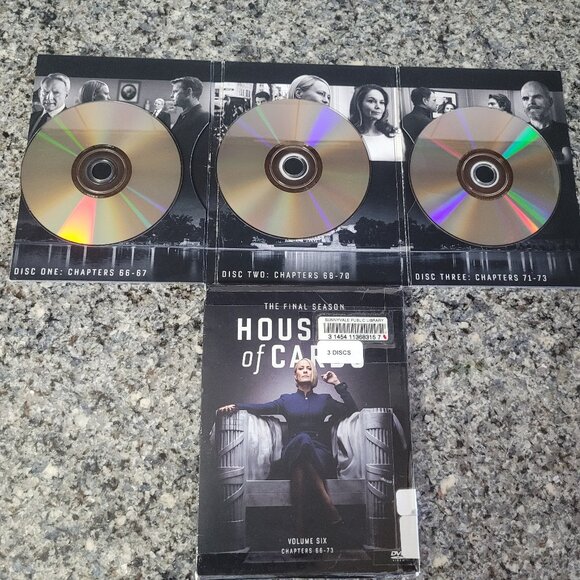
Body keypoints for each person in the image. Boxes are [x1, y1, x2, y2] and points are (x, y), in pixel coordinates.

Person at [218, 358, 358, 535]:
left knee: (302, 454)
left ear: (313, 374)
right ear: (295, 376)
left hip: (318, 452)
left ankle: (298, 521)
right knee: (302, 440)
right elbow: (261, 408)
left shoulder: (325, 399)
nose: (305, 370)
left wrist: (337, 383)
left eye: (309, 368)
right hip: (292, 448)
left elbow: (352, 410)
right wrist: (237, 406)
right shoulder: (286, 400)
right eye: (301, 368)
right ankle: (328, 505)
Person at [520, 80, 572, 164]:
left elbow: (567, 161)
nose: (530, 102)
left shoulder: (565, 129)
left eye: (537, 97)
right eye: (525, 98)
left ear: (550, 102)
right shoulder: (518, 132)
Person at [349, 84, 404, 161]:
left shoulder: (396, 134)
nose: (378, 106)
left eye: (382, 102)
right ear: (359, 105)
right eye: (371, 101)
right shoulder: (349, 137)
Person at [170, 76, 210, 159]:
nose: (171, 95)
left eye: (175, 91)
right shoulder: (184, 115)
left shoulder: (204, 118)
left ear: (188, 92)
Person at [28, 72, 70, 139]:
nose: (48, 97)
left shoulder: (74, 122)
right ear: (39, 93)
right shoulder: (31, 117)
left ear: (66, 95)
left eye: (56, 92)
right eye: (45, 92)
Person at [401, 87, 438, 154]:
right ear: (425, 101)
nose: (436, 103)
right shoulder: (427, 122)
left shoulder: (405, 119)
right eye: (434, 100)